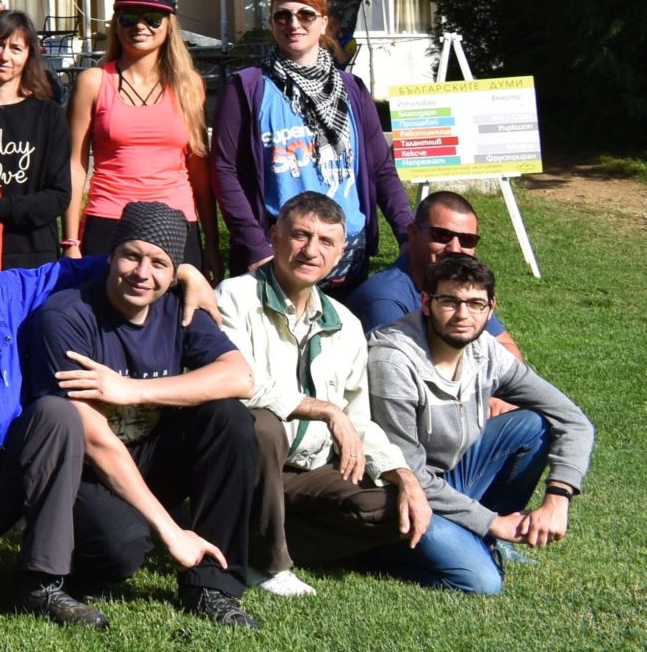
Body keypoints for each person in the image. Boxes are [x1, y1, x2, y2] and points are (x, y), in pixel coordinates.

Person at [0, 206, 223, 543]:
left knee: (55, 412)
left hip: (6, 475)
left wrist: (180, 270)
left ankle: (43, 567)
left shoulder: (7, 295)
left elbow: (91, 270)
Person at [0, 201, 263, 629]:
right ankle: (63, 570)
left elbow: (240, 377)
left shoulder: (177, 307)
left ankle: (212, 586)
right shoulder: (66, 317)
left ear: (174, 273)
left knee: (229, 419)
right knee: (122, 547)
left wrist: (132, 390)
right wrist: (169, 530)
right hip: (83, 472)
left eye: (159, 263)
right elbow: (94, 438)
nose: (142, 273)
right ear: (110, 256)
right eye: (131, 256)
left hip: (147, 454)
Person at [215, 192, 433, 597]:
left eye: (326, 241)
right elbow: (238, 382)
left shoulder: (346, 323)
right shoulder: (234, 296)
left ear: (340, 253)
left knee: (392, 509)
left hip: (311, 468)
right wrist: (327, 411)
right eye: (300, 235)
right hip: (249, 461)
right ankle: (267, 563)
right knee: (261, 425)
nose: (311, 250)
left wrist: (402, 474)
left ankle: (252, 538)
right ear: (275, 236)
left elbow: (359, 417)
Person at [366, 253, 594, 595]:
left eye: (475, 304)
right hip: (397, 493)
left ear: (491, 308)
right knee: (481, 582)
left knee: (532, 425)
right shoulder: (392, 360)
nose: (463, 315)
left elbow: (572, 418)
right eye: (450, 302)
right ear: (426, 302)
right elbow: (408, 471)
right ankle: (372, 553)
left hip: (451, 476)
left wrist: (558, 499)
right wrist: (493, 522)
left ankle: (476, 537)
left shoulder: (485, 351)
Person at [212, 0, 414, 285]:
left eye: (305, 14)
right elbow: (224, 170)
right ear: (272, 24)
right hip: (277, 254)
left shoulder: (352, 90)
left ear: (323, 22)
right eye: (282, 15)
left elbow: (381, 169)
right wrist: (254, 245)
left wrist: (407, 234)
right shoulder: (247, 88)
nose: (294, 24)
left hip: (347, 255)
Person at [64, 0, 220, 271]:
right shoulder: (93, 82)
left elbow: (199, 167)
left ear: (169, 25)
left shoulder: (190, 85)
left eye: (152, 18)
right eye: (128, 17)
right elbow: (76, 165)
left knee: (178, 301)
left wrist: (211, 242)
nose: (140, 26)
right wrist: (70, 241)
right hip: (109, 218)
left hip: (176, 220)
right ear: (116, 24)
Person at [0, 10, 72, 268]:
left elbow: (58, 196)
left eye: (16, 48)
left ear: (30, 55)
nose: (4, 56)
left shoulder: (48, 114)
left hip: (33, 253)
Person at [349, 192, 519, 351]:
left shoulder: (461, 286)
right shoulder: (385, 299)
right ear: (413, 234)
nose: (455, 248)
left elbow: (506, 345)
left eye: (467, 240)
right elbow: (399, 364)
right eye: (442, 235)